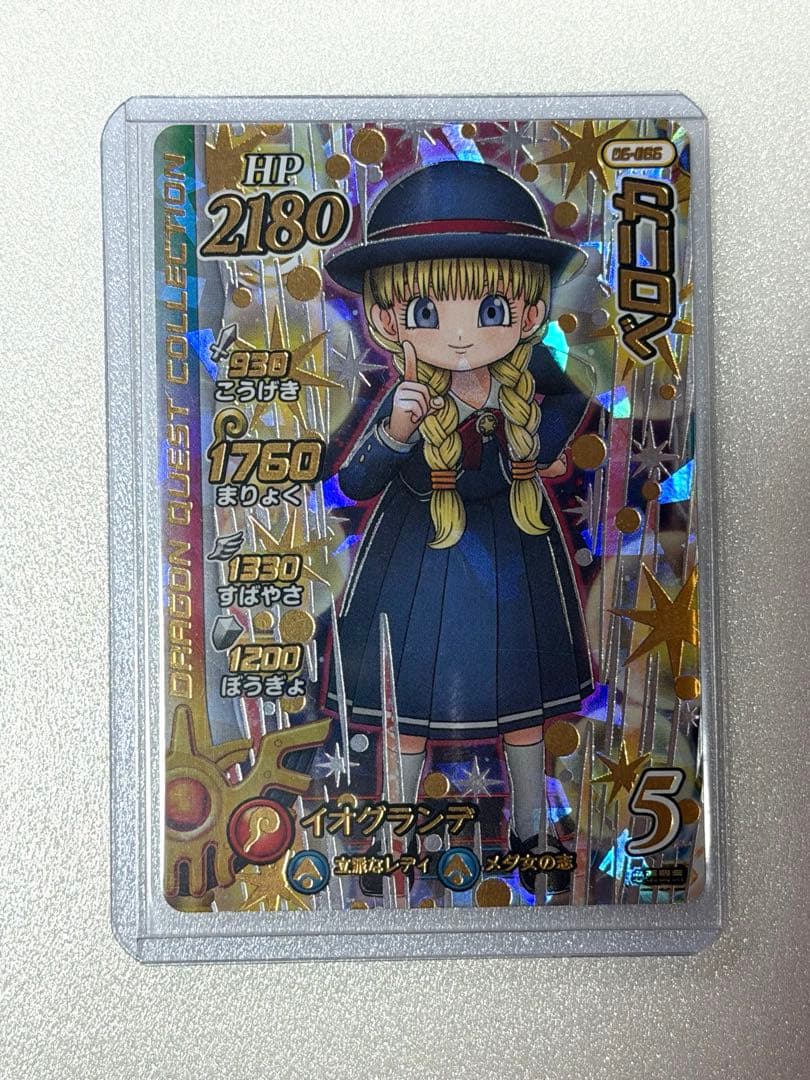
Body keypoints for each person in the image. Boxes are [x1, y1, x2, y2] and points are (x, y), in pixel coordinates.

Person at [324, 160, 594, 895]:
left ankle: (534, 831)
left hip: (511, 555)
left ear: (529, 311)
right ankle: (396, 833)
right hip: (419, 564)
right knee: (408, 712)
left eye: (491, 308)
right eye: (426, 311)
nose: (463, 334)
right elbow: (354, 483)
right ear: (387, 319)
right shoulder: (405, 398)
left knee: (522, 708)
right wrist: (398, 432)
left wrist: (524, 441)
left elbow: (569, 409)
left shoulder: (535, 390)